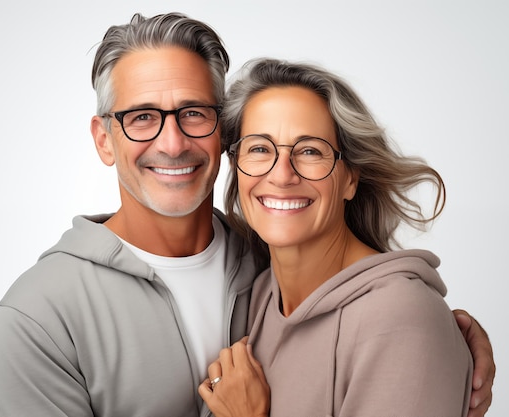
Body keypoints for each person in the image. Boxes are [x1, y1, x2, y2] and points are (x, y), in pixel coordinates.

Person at [0, 12, 495, 417]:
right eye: (142, 117)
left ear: (221, 136)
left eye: (194, 113)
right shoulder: (37, 316)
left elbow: (379, 318)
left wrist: (433, 339)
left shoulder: (268, 262)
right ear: (104, 139)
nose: (172, 142)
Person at [199, 59, 483, 416]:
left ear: (350, 178)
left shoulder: (401, 318)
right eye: (259, 148)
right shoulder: (261, 293)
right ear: (235, 165)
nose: (281, 175)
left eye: (309, 151)